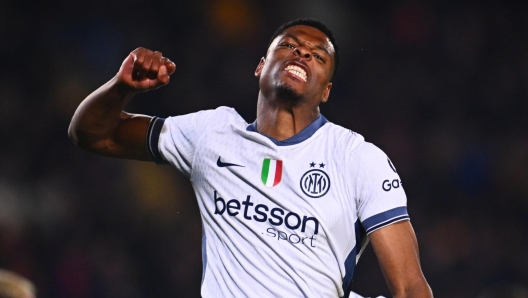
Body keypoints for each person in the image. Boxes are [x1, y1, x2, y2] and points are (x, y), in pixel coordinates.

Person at [69, 19, 432, 297]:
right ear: (261, 66)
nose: (302, 53)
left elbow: (411, 286)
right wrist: (121, 88)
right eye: (289, 45)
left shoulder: (357, 159)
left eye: (318, 55)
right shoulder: (211, 135)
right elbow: (91, 134)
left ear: (326, 91)